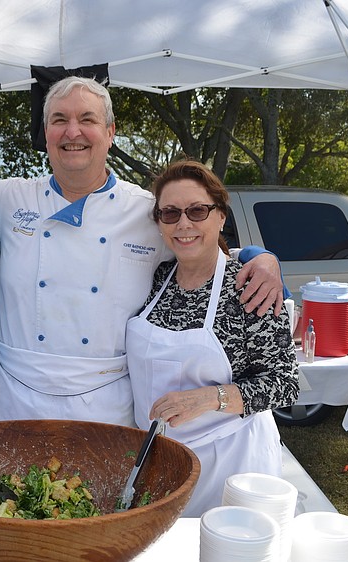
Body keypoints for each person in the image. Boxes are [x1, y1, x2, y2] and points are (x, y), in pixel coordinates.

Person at [0, 76, 284, 428]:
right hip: (17, 396)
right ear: (46, 134)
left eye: (87, 119)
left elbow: (200, 241)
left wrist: (259, 256)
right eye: (59, 119)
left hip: (106, 401)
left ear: (110, 133)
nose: (73, 132)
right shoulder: (3, 198)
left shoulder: (145, 211)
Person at [125, 160, 299, 516]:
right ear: (159, 223)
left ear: (220, 216)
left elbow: (284, 383)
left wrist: (207, 398)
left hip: (231, 464)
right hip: (162, 460)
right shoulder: (156, 277)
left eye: (197, 210)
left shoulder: (250, 287)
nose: (184, 224)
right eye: (170, 213)